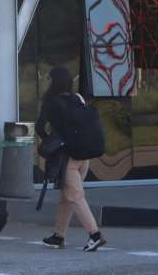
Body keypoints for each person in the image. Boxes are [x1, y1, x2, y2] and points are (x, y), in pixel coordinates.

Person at [35, 66, 107, 252]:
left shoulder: (50, 101)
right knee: (67, 197)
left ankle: (95, 235)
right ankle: (58, 236)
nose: (47, 80)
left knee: (75, 196)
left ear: (54, 81)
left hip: (66, 159)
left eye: (49, 78)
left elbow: (39, 127)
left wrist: (51, 141)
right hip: (84, 157)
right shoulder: (78, 98)